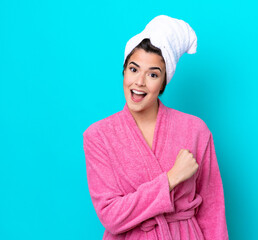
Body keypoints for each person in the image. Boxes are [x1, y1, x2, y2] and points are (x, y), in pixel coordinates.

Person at [83, 15, 228, 240]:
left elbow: (213, 212)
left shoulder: (195, 130)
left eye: (152, 74)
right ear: (124, 72)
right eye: (133, 69)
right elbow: (111, 216)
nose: (139, 82)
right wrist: (171, 179)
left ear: (163, 81)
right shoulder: (98, 136)